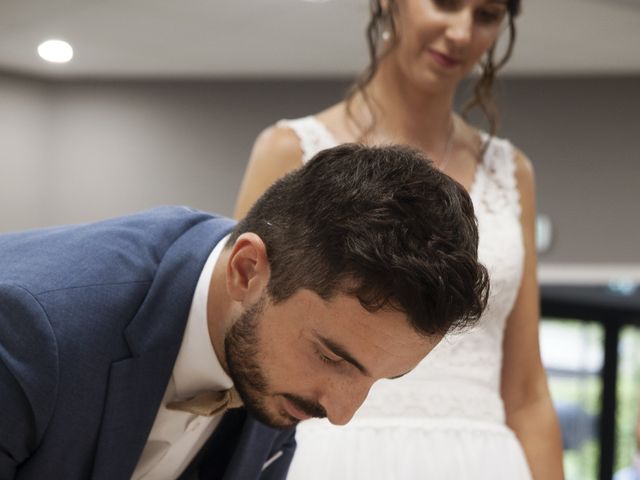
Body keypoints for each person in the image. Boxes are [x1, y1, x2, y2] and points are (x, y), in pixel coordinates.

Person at [0, 144, 489, 480]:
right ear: (247, 269)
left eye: (382, 379)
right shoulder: (29, 327)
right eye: (332, 357)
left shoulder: (279, 373)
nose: (341, 414)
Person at [234, 1, 564, 478]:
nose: (462, 32)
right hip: (330, 454)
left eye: (487, 14)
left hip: (483, 461)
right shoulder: (289, 149)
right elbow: (241, 344)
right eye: (446, 3)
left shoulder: (512, 172)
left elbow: (528, 391)